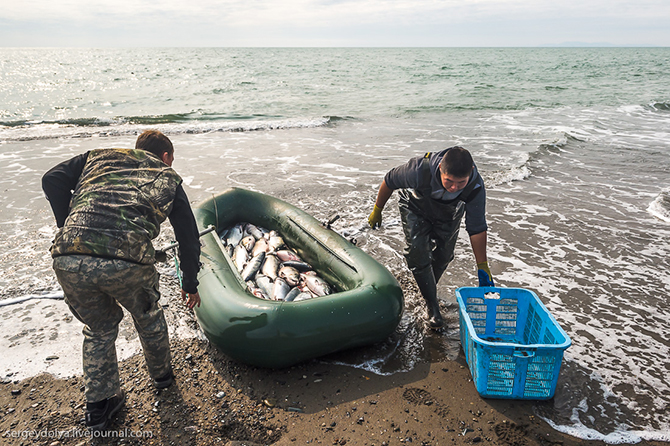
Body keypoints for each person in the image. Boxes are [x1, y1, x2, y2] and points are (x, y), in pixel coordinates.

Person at [42, 130, 201, 431]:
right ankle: (163, 378)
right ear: (167, 157)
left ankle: (98, 409)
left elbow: (51, 179)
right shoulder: (167, 175)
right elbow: (188, 236)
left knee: (99, 328)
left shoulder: (96, 156)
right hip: (126, 262)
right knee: (147, 315)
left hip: (68, 258)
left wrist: (68, 226)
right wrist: (189, 283)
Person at [368, 146, 494, 329]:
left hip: (448, 212)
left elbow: (477, 228)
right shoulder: (419, 169)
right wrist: (377, 210)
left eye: (461, 183)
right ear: (441, 167)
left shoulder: (475, 186)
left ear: (471, 172)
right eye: (449, 181)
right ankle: (431, 304)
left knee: (444, 256)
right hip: (415, 206)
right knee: (417, 252)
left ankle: (425, 287)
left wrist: (482, 266)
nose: (454, 188)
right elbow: (389, 180)